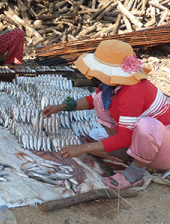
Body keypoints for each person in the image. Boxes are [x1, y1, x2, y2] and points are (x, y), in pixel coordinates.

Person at [42, 40, 170, 190]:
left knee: (147, 126)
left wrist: (82, 148)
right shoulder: (113, 85)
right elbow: (92, 100)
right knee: (99, 100)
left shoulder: (132, 93)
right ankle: (126, 152)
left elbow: (124, 137)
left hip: (163, 151)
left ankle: (136, 171)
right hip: (141, 142)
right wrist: (61, 107)